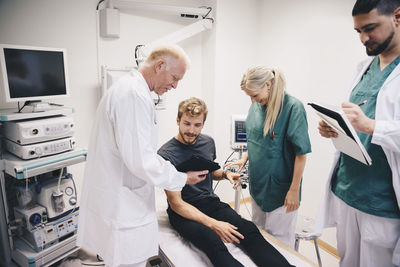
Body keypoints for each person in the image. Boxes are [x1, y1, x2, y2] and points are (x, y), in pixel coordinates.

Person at [77, 45, 208, 267]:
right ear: (159, 66)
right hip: (123, 206)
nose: (175, 85)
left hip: (118, 197)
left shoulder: (129, 89)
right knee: (128, 260)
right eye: (174, 77)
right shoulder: (133, 95)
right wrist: (182, 178)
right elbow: (142, 161)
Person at [158, 97, 294, 267]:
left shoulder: (207, 142)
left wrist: (225, 174)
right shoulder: (165, 154)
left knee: (248, 230)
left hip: (210, 203)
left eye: (197, 125)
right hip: (184, 212)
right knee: (212, 240)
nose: (191, 130)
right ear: (178, 121)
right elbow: (176, 203)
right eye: (187, 124)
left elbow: (209, 172)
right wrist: (215, 225)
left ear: (203, 124)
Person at [315, 1, 400, 266]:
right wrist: (336, 128)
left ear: (398, 16)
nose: (363, 38)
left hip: (381, 201)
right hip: (347, 190)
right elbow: (358, 118)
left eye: (370, 28)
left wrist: (371, 126)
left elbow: (371, 124)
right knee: (347, 260)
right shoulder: (364, 67)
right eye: (358, 31)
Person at [226, 67, 311, 248]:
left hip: (281, 191)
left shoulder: (293, 108)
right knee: (259, 236)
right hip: (259, 186)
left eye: (255, 95)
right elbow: (256, 139)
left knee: (279, 244)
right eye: (249, 96)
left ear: (267, 85)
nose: (253, 100)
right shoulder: (256, 106)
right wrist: (244, 159)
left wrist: (294, 190)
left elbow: (301, 153)